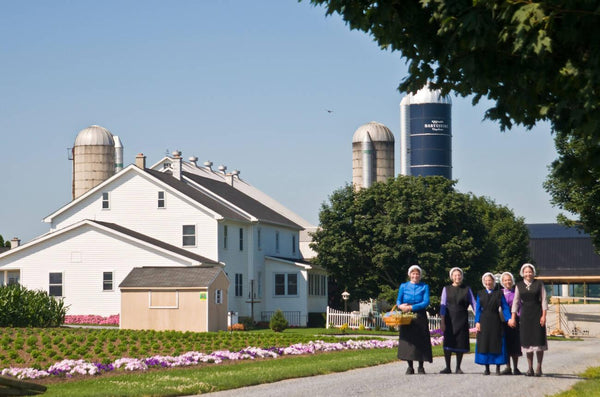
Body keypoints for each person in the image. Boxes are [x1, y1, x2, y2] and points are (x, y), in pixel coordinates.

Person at [508, 263, 548, 376]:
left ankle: (539, 368)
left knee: (539, 341)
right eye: (526, 272)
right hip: (525, 315)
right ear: (522, 273)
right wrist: (513, 317)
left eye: (530, 271)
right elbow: (515, 302)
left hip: (537, 313)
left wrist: (544, 316)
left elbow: (544, 300)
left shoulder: (539, 283)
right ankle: (530, 368)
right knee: (528, 342)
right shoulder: (519, 285)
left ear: (533, 272)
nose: (528, 273)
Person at [439, 267, 476, 374]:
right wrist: (442, 320)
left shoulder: (467, 289)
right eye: (455, 275)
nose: (457, 277)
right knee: (448, 342)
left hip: (462, 318)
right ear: (451, 277)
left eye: (459, 275)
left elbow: (474, 304)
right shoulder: (446, 289)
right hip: (449, 318)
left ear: (462, 276)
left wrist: (479, 318)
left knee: (461, 342)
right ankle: (447, 367)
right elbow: (443, 305)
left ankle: (458, 367)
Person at [396, 265, 433, 374]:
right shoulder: (403, 286)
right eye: (413, 273)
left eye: (417, 274)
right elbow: (398, 300)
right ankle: (410, 366)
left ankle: (421, 366)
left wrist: (412, 307)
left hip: (419, 315)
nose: (415, 276)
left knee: (420, 340)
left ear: (420, 276)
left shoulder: (424, 286)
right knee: (408, 341)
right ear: (409, 275)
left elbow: (426, 302)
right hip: (406, 315)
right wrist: (401, 306)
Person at [475, 272, 511, 375]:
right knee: (485, 343)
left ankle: (498, 368)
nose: (488, 282)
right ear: (483, 282)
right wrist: (477, 321)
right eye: (486, 280)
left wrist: (508, 319)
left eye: (489, 280)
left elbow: (504, 307)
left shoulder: (499, 293)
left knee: (496, 343)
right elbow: (478, 309)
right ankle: (487, 368)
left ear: (493, 281)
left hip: (495, 320)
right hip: (484, 321)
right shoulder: (480, 293)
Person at [500, 271, 522, 375]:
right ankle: (508, 367)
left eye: (509, 279)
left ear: (512, 281)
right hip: (503, 321)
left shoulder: (516, 292)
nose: (507, 281)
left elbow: (520, 306)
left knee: (515, 344)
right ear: (502, 282)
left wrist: (518, 317)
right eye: (505, 280)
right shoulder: (500, 293)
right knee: (506, 344)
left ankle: (516, 367)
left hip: (515, 320)